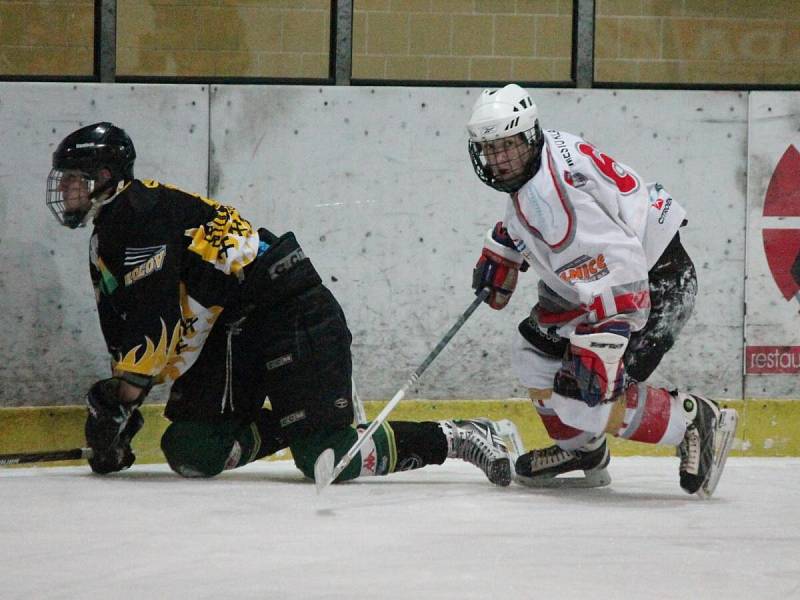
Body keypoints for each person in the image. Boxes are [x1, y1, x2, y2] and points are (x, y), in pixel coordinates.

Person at [46, 121, 513, 486]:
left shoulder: (135, 218)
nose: (64, 189)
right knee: (192, 451)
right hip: (233, 327)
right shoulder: (115, 227)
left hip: (288, 308)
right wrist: (123, 401)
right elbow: (137, 319)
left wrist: (122, 398)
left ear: (104, 178)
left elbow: (156, 319)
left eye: (73, 179)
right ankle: (304, 417)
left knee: (328, 460)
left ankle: (460, 435)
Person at [465, 85, 738, 497]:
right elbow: (586, 221)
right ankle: (582, 452)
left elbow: (620, 258)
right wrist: (508, 241)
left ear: (528, 136)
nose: (499, 160)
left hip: (653, 285)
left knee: (583, 398)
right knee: (534, 357)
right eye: (490, 149)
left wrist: (609, 335)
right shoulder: (546, 155)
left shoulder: (552, 199)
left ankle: (693, 419)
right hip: (604, 280)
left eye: (508, 147)